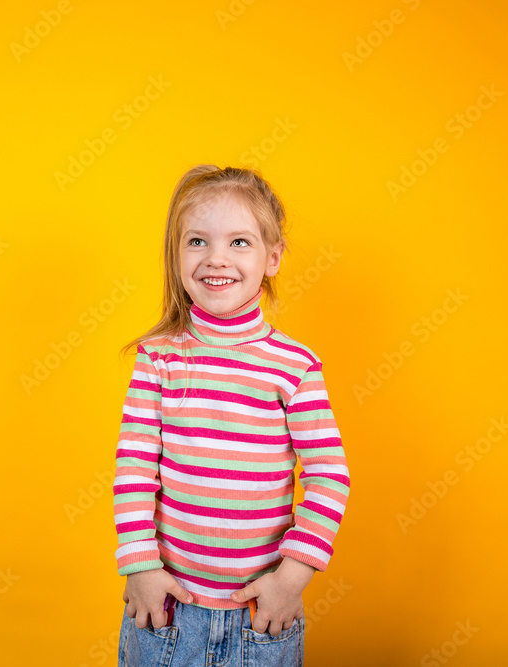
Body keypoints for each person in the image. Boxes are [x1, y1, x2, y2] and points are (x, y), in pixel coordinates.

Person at [112, 164, 350, 667]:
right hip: (170, 611)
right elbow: (134, 470)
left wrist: (290, 580)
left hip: (261, 616)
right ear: (176, 256)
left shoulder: (294, 366)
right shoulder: (159, 359)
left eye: (239, 242)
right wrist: (140, 566)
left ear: (273, 257)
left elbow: (329, 477)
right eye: (197, 241)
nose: (216, 259)